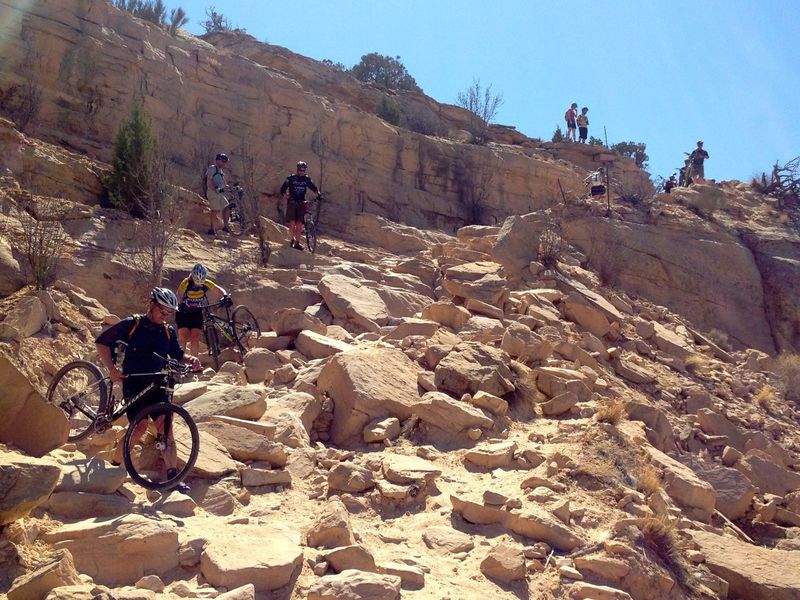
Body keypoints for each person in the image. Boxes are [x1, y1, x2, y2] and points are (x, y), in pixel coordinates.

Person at [95, 287, 201, 494]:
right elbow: (102, 342)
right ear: (152, 305)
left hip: (159, 384)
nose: (166, 315)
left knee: (166, 427)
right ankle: (114, 465)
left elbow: (178, 355)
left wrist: (192, 359)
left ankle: (172, 477)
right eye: (163, 310)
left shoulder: (168, 331)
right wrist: (112, 370)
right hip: (134, 383)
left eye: (170, 312)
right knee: (140, 428)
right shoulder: (133, 324)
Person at [175, 263, 227, 359]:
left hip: (196, 312)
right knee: (183, 335)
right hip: (183, 312)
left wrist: (225, 295)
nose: (199, 284)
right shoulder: (186, 282)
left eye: (201, 281)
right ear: (192, 277)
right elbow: (179, 294)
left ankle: (194, 363)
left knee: (195, 337)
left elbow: (218, 289)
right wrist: (180, 304)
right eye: (196, 281)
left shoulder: (206, 282)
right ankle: (180, 361)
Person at [280, 160, 320, 250]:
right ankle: (291, 240)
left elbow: (313, 187)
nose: (302, 172)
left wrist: (318, 194)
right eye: (300, 170)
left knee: (299, 224)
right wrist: (286, 196)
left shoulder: (306, 179)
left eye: (303, 170)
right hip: (292, 202)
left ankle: (297, 243)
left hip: (301, 202)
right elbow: (282, 189)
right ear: (297, 169)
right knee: (292, 223)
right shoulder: (290, 178)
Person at [205, 153, 230, 235]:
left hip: (220, 193)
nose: (224, 163)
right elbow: (209, 180)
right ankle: (212, 229)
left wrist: (229, 188)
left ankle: (226, 226)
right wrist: (215, 188)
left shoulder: (221, 172)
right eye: (223, 161)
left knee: (227, 207)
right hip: (212, 192)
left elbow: (224, 184)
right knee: (215, 210)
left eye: (225, 161)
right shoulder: (212, 168)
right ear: (218, 160)